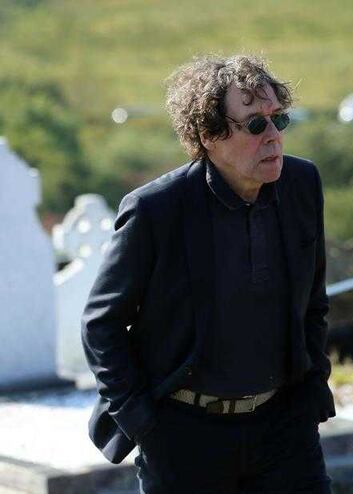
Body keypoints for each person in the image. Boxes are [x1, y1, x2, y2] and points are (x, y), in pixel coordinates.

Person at [82, 54, 334, 493]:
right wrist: (145, 424)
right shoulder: (156, 211)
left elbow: (313, 301)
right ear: (208, 135)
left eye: (279, 119)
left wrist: (312, 389)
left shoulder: (302, 184)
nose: (274, 137)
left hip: (284, 428)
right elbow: (101, 326)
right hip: (183, 436)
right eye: (255, 125)